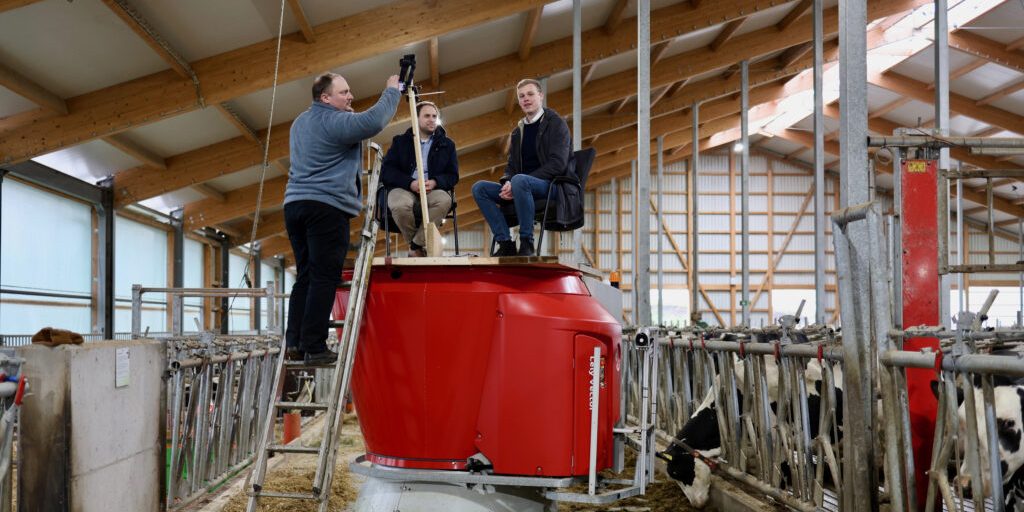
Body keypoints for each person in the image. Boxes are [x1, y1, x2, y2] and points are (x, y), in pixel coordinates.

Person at [284, 72, 400, 365]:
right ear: (325, 98)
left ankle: (295, 342)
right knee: (325, 277)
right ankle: (315, 347)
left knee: (306, 277)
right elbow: (372, 122)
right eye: (344, 92)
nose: (350, 97)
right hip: (326, 208)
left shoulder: (300, 122)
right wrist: (392, 91)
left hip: (295, 204)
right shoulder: (334, 121)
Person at [472, 78, 571, 256]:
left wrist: (520, 181)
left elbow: (558, 164)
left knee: (520, 180)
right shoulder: (518, 132)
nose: (526, 99)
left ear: (541, 96)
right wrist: (508, 183)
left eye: (530, 94)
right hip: (521, 185)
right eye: (521, 96)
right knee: (479, 188)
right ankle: (505, 243)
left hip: (551, 185)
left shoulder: (556, 124)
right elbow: (511, 166)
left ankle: (527, 242)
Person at [380, 101, 459, 257]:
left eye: (435, 116)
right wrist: (410, 183)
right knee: (399, 204)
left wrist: (436, 181)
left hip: (432, 190)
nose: (432, 119)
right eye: (427, 116)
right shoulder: (400, 142)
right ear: (416, 119)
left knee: (444, 200)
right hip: (404, 188)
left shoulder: (447, 144)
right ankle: (417, 248)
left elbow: (453, 175)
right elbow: (387, 171)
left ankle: (414, 246)